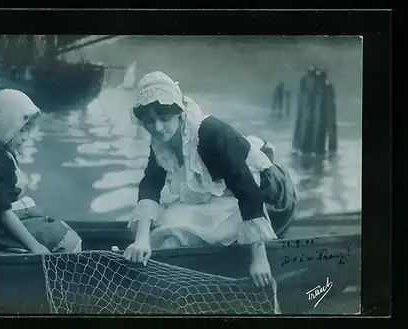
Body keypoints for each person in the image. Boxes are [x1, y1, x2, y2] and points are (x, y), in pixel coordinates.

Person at [122, 72, 297, 287]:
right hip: (221, 191)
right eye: (149, 121)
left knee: (184, 231)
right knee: (167, 233)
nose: (157, 128)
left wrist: (260, 260)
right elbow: (150, 184)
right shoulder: (160, 142)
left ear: (179, 112)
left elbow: (247, 190)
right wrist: (141, 240)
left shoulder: (209, 134)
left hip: (269, 196)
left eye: (164, 118)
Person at [0, 89, 82, 254]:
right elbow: (2, 212)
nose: (26, 137)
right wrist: (35, 246)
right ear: (6, 123)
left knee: (55, 226)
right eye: (22, 130)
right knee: (67, 240)